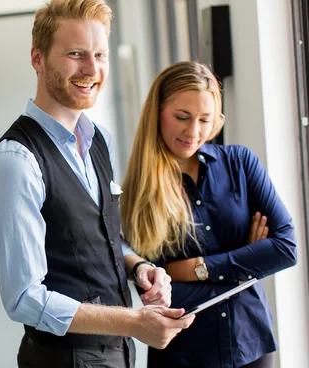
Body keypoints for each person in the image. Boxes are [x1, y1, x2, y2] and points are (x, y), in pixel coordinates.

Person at [0, 0, 194, 368]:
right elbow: (24, 298)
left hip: (118, 350)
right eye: (76, 54)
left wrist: (139, 268)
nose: (91, 69)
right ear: (37, 58)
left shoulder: (100, 141)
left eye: (100, 55)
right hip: (64, 358)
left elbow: (101, 237)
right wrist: (132, 322)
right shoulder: (16, 162)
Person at [120, 61, 297, 368]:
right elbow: (160, 296)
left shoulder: (241, 164)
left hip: (250, 345)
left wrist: (195, 268)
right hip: (184, 353)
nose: (194, 131)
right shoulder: (137, 193)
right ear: (157, 112)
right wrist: (248, 262)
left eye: (205, 119)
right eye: (182, 117)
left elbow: (286, 248)